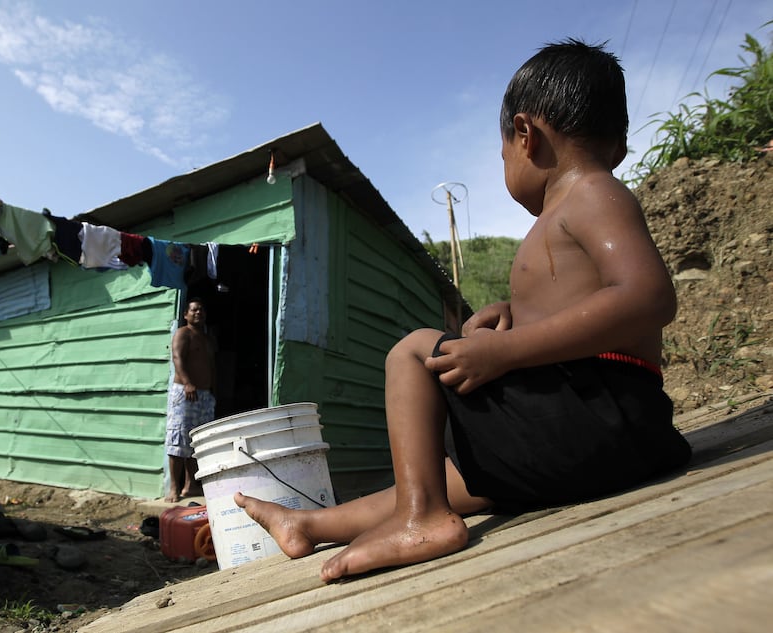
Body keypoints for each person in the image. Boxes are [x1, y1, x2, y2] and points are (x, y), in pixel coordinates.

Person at [234, 39, 692, 582]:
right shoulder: (575, 207)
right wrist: (513, 315)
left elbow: (647, 296)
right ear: (616, 141)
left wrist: (505, 350)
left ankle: (419, 520)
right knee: (447, 476)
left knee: (411, 351)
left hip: (600, 414)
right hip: (618, 438)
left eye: (502, 152)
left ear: (526, 135)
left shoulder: (592, 192)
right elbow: (587, 305)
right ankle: (310, 524)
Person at [164, 297, 217, 503]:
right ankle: (174, 489)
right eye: (194, 310)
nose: (198, 313)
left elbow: (212, 367)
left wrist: (214, 390)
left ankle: (190, 486)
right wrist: (187, 383)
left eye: (201, 309)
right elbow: (177, 358)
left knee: (198, 441)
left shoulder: (207, 339)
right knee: (179, 439)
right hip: (185, 393)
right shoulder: (183, 333)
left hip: (204, 395)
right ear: (185, 314)